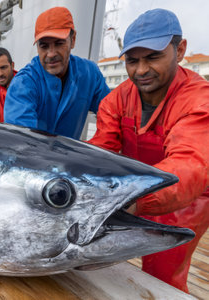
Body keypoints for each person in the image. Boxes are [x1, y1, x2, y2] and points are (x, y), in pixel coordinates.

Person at [88, 9, 209, 293]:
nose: (141, 70)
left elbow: (189, 166)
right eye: (132, 60)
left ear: (180, 50)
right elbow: (98, 153)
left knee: (162, 273)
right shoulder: (116, 100)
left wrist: (127, 197)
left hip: (187, 196)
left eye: (153, 57)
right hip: (135, 189)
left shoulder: (199, 100)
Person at [4, 7, 110, 139]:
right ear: (37, 46)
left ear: (73, 40)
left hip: (70, 159)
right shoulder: (23, 84)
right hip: (32, 158)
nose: (51, 53)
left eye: (59, 43)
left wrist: (95, 150)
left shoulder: (90, 74)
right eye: (44, 46)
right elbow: (22, 142)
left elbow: (112, 116)